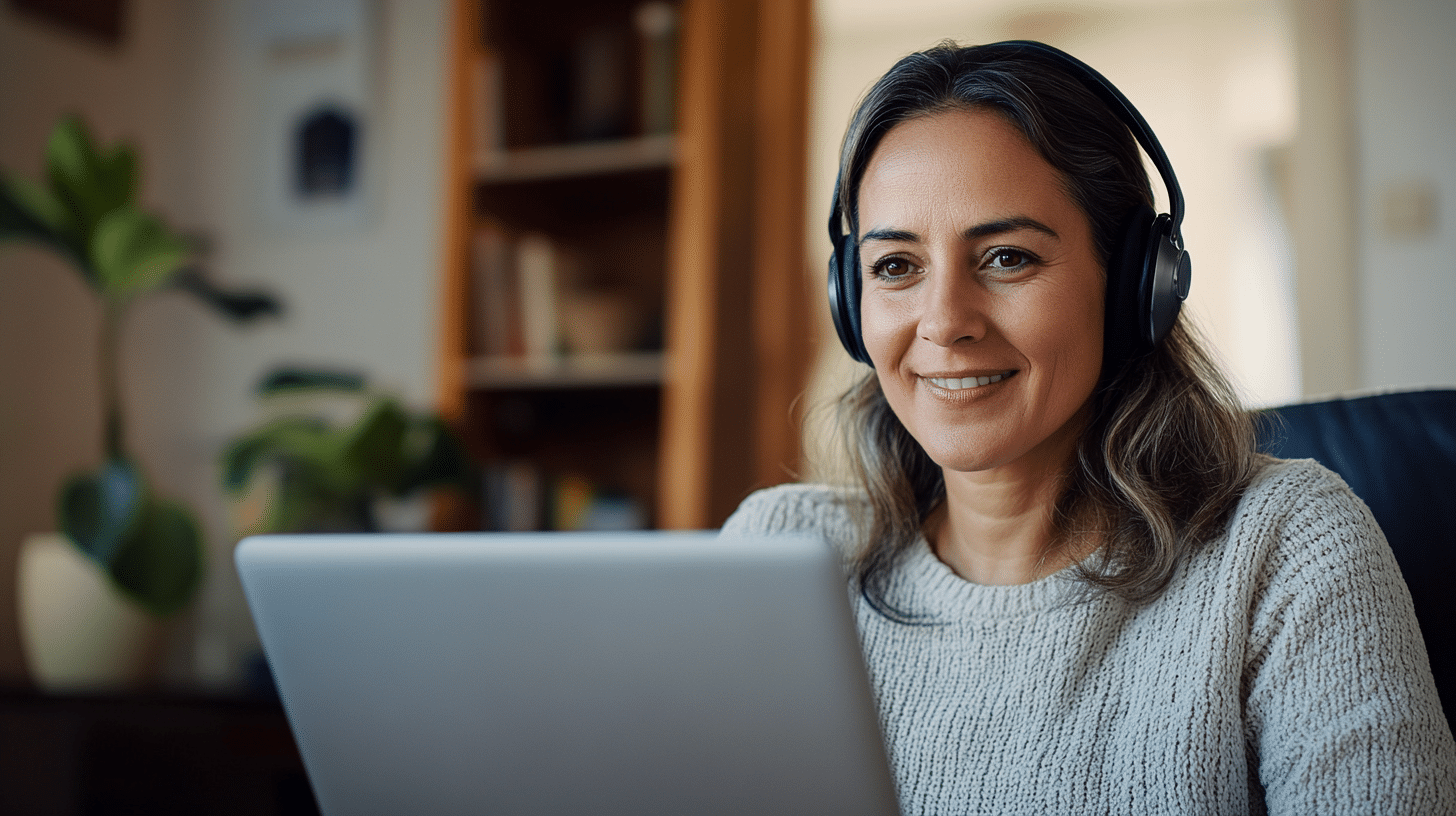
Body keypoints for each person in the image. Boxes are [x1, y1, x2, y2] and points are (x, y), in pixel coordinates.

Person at [721, 41, 1456, 814]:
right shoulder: (782, 552)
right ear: (850, 301)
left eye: (1006, 257)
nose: (942, 324)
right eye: (897, 267)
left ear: (1138, 282)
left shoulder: (1280, 550)